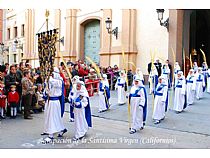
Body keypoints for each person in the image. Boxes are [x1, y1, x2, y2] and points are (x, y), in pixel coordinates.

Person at [42, 67, 67, 143]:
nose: (51, 75)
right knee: (54, 117)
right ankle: (61, 129)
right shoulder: (54, 80)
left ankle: (51, 135)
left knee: (53, 117)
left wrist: (47, 77)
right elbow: (48, 90)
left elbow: (52, 82)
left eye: (52, 74)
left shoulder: (58, 81)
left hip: (55, 102)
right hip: (51, 101)